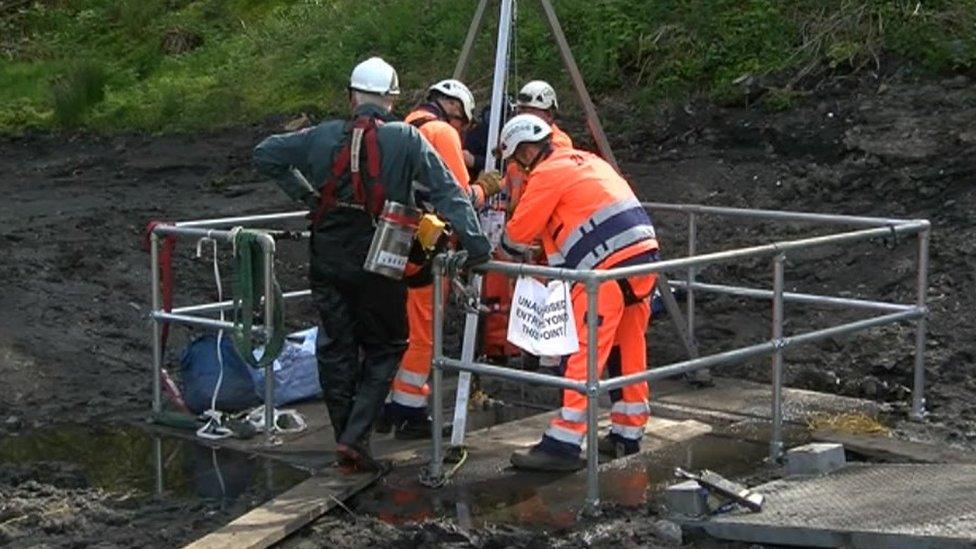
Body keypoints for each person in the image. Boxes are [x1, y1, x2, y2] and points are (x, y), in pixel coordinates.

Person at [253, 57, 491, 470]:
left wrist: (308, 196)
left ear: (351, 97)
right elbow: (449, 193)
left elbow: (266, 154)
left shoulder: (321, 136)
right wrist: (477, 245)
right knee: (387, 345)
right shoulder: (406, 139)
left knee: (336, 346)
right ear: (392, 101)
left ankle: (350, 438)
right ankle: (353, 438)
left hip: (327, 251)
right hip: (382, 253)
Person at [497, 114, 660, 471]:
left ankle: (563, 443)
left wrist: (500, 240)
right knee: (627, 347)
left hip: (604, 271)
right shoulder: (585, 160)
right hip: (642, 260)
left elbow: (516, 235)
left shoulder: (546, 174)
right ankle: (627, 432)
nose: (517, 168)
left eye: (515, 160)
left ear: (525, 152)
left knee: (581, 355)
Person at [389, 79, 502, 438]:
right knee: (423, 326)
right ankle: (408, 410)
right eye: (465, 125)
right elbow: (458, 199)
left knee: (395, 324)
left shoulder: (401, 126)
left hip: (390, 237)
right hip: (426, 238)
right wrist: (486, 186)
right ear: (457, 111)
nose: (464, 131)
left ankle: (388, 404)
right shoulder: (441, 132)